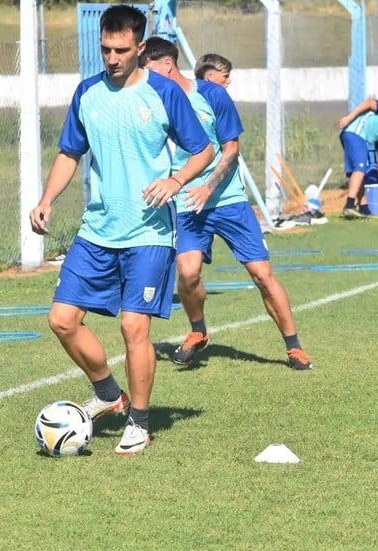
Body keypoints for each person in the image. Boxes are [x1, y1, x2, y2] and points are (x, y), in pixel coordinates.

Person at [28, 5, 214, 455]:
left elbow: (203, 151)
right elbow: (70, 153)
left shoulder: (164, 94)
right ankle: (110, 395)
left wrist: (175, 180)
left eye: (121, 50)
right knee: (62, 319)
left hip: (148, 233)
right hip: (97, 229)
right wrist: (46, 199)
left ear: (140, 48)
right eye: (106, 49)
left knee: (134, 326)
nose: (111, 58)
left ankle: (140, 422)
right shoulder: (87, 94)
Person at [141, 39, 312, 373]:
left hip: (228, 200)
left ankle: (294, 346)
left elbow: (231, 150)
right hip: (189, 200)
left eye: (146, 68)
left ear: (165, 65)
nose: (144, 76)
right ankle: (198, 331)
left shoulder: (212, 94)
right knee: (187, 274)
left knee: (262, 275)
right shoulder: (156, 99)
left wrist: (208, 187)